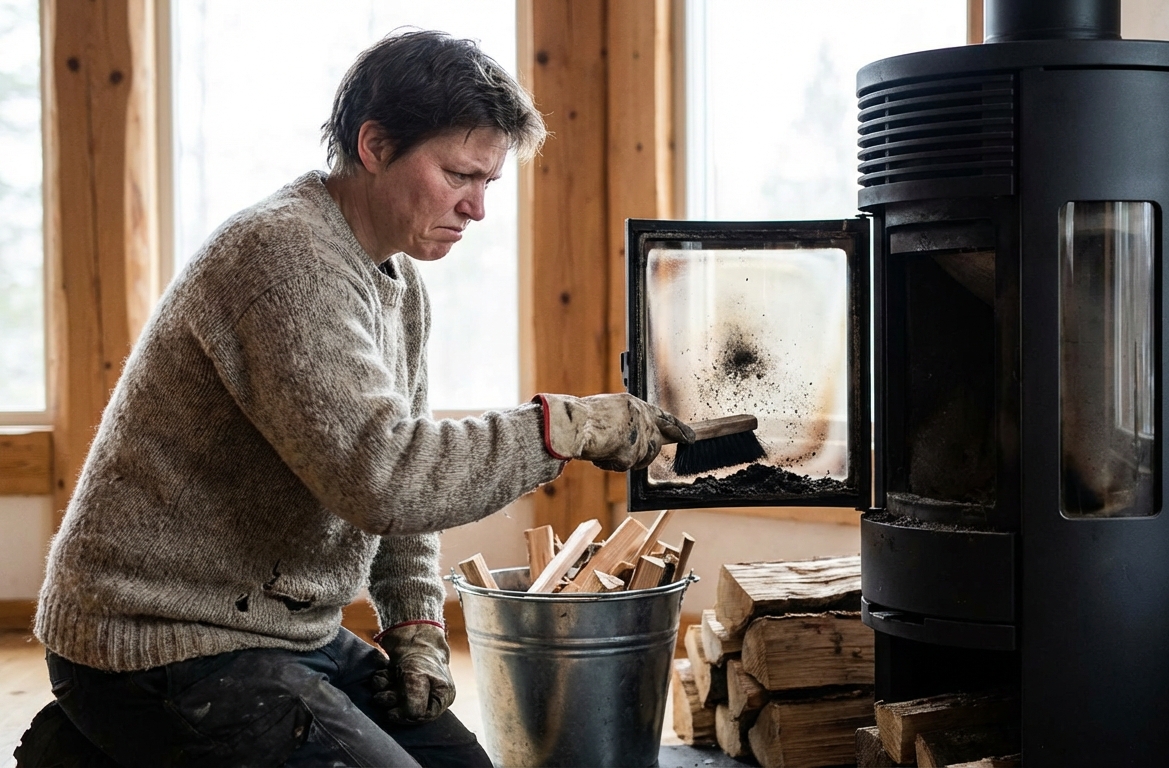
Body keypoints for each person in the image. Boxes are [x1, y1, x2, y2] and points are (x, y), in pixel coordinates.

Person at [13, 30, 692, 768]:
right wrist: (567, 429)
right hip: (159, 642)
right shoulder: (282, 258)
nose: (477, 208)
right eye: (458, 174)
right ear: (374, 145)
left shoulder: (397, 286)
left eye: (489, 182)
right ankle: (102, 742)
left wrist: (416, 627)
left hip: (282, 632)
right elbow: (387, 480)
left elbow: (404, 478)